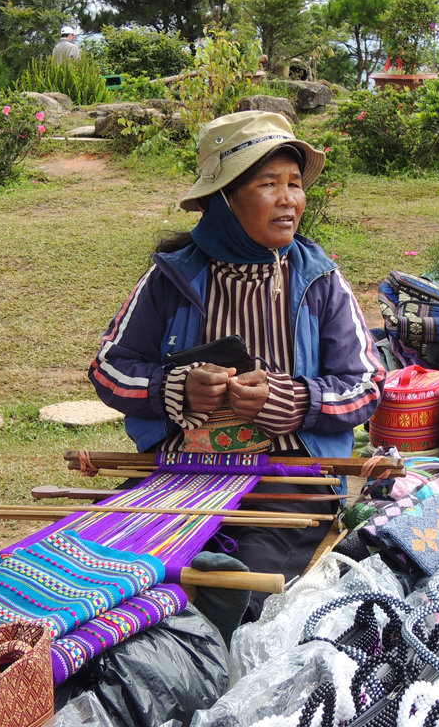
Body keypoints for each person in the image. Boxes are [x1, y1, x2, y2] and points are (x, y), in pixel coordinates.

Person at [90, 110, 385, 621]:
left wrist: (289, 400)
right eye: (268, 184)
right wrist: (174, 389)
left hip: (291, 478)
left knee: (235, 591)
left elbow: (365, 384)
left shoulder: (318, 280)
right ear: (221, 200)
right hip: (182, 475)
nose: (289, 198)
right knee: (102, 565)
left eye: (294, 183)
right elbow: (110, 368)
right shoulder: (171, 278)